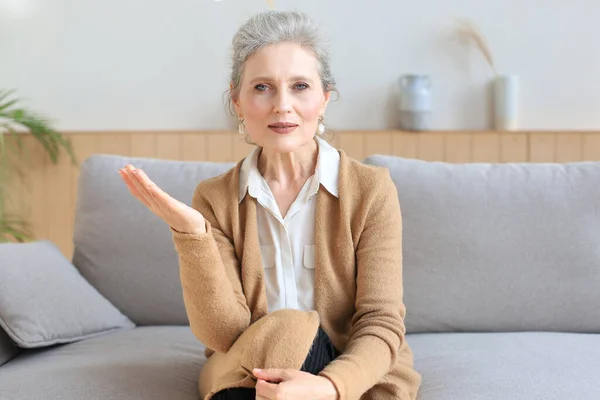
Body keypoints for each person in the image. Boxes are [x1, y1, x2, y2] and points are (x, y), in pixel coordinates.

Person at [118, 10, 421, 400]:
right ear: (238, 102)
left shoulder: (370, 189)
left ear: (324, 99)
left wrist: (327, 387)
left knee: (294, 331)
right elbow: (225, 334)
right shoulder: (214, 198)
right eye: (262, 87)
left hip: (350, 375)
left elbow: (381, 322)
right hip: (251, 370)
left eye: (299, 86)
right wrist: (193, 237)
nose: (282, 105)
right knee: (284, 333)